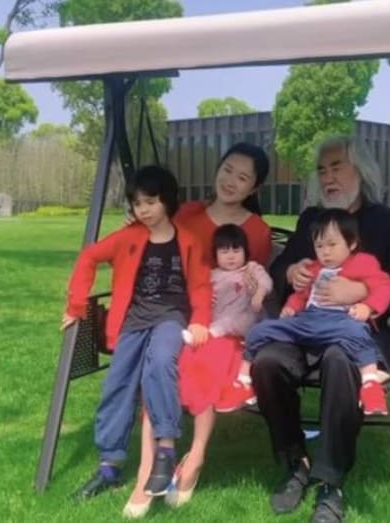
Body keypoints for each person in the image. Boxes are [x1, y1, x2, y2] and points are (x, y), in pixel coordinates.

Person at [252, 135, 390, 523]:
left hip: (360, 334)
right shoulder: (311, 221)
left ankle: (331, 482)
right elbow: (279, 269)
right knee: (266, 362)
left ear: (361, 172)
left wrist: (362, 291)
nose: (328, 177)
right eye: (322, 170)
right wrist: (291, 272)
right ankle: (295, 461)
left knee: (338, 360)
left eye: (337, 167)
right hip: (306, 328)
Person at [127, 142, 273, 515]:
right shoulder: (187, 213)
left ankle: (195, 458)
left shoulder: (257, 231)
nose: (231, 181)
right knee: (161, 363)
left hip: (226, 324)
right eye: (227, 170)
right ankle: (147, 469)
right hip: (178, 313)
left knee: (204, 361)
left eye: (243, 177)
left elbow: (251, 284)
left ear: (254, 187)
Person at [64, 166, 211, 517]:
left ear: (167, 200)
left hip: (171, 318)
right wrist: (76, 306)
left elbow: (201, 285)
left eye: (151, 202)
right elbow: (88, 257)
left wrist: (200, 321)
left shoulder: (188, 240)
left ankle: (165, 448)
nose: (143, 210)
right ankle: (109, 466)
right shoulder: (128, 237)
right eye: (137, 203)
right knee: (118, 383)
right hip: (133, 320)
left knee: (160, 362)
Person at [235, 208, 390, 416]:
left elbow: (384, 286)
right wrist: (291, 307)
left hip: (339, 321)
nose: (325, 252)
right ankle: (243, 380)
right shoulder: (313, 268)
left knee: (357, 332)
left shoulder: (363, 262)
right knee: (260, 330)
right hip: (308, 321)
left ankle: (370, 382)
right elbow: (302, 295)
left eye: (332, 244)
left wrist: (368, 306)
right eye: (319, 246)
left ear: (352, 244)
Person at [180, 223, 273, 415]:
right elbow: (197, 293)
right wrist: (207, 297)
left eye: (236, 251)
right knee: (207, 342)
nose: (231, 256)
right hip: (220, 321)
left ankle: (210, 334)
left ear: (246, 252)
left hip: (248, 319)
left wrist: (260, 293)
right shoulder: (212, 275)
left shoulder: (251, 269)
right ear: (215, 255)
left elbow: (266, 281)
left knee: (233, 320)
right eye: (224, 251)